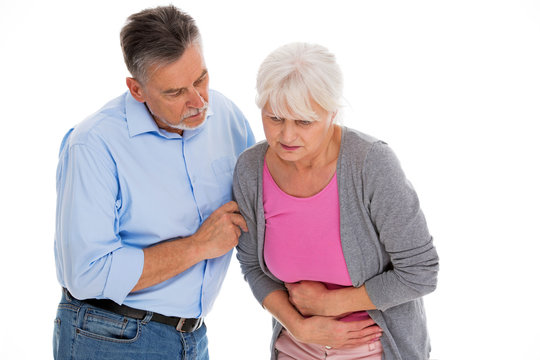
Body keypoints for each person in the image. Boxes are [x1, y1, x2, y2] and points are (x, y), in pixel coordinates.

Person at [53, 5, 254, 360]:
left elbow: (263, 205)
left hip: (192, 335)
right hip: (109, 336)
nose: (198, 101)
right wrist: (197, 246)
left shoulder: (227, 117)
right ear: (137, 89)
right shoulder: (93, 145)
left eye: (201, 79)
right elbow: (87, 273)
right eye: (175, 92)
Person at [233, 42, 439, 360]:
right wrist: (298, 326)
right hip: (293, 346)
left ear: (332, 112)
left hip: (375, 347)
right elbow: (252, 266)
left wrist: (331, 304)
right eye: (274, 118)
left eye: (303, 122)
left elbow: (420, 272)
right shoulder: (251, 169)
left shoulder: (370, 164)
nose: (286, 136)